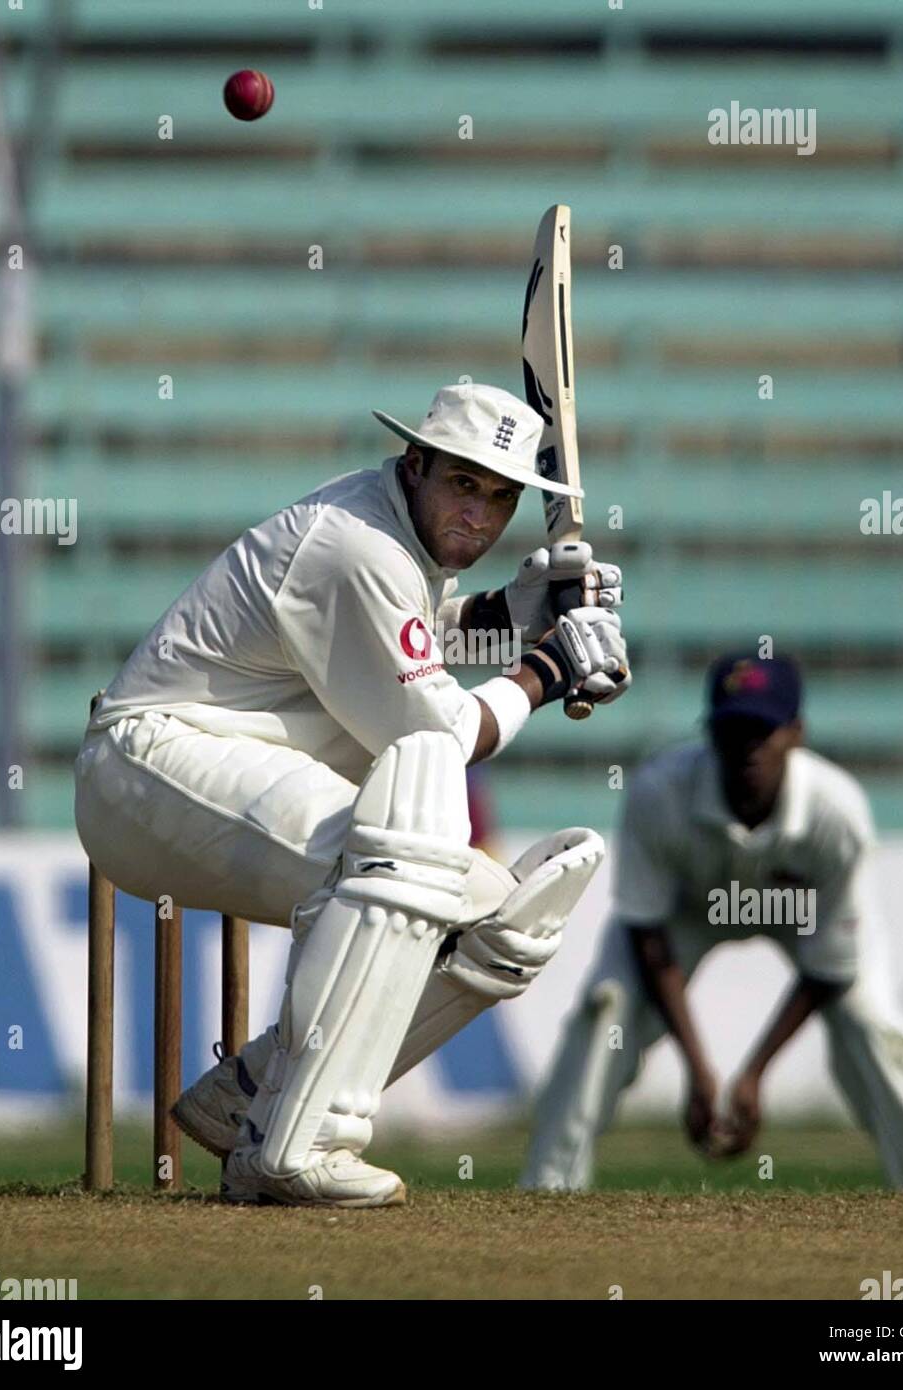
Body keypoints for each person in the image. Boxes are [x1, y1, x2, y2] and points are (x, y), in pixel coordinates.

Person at [74, 382, 630, 1208]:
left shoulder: (398, 538)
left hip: (223, 767)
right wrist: (546, 669)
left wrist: (516, 615)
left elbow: (410, 642)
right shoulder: (356, 546)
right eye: (462, 485)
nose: (479, 516)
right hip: (146, 767)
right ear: (415, 464)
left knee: (501, 927)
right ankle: (298, 1147)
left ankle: (252, 1093)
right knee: (407, 847)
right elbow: (440, 740)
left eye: (501, 497)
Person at [520, 652, 903, 1194]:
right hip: (689, 912)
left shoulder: (835, 813)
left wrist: (753, 1074)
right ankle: (549, 1188)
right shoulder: (659, 793)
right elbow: (648, 936)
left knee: (874, 1026)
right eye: (731, 729)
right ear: (709, 733)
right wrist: (700, 1071)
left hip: (802, 917)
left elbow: (832, 968)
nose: (746, 747)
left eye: (761, 730)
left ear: (795, 733)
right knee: (605, 1006)